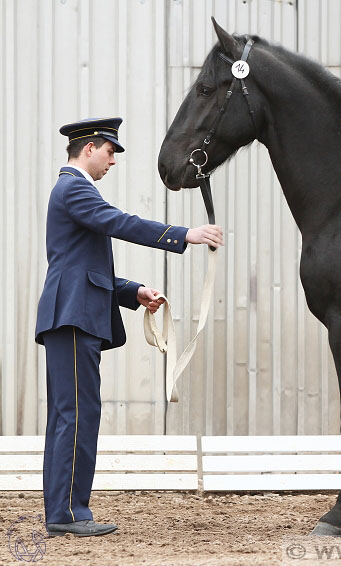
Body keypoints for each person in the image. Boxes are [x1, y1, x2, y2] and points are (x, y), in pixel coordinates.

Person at [34, 117, 224, 537]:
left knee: (74, 414)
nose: (113, 161)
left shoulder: (73, 191)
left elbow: (82, 267)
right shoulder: (74, 188)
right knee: (77, 416)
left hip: (73, 315)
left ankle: (66, 510)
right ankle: (67, 514)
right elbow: (120, 222)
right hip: (72, 317)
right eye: (109, 152)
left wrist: (133, 291)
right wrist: (183, 234)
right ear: (89, 149)